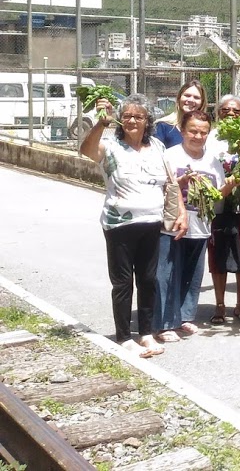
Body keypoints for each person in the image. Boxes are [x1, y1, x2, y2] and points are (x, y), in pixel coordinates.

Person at [79, 94, 178, 358]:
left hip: (151, 221)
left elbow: (170, 182)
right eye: (127, 116)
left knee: (148, 280)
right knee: (123, 282)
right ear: (121, 121)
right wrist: (101, 123)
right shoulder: (110, 145)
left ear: (148, 121)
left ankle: (145, 332)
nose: (132, 120)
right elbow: (87, 150)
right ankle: (124, 336)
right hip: (119, 223)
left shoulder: (157, 145)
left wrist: (179, 212)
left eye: (138, 116)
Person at [156, 110, 234, 343]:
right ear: (182, 130)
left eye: (203, 132)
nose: (198, 136)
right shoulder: (169, 156)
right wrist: (178, 185)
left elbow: (217, 195)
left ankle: (184, 317)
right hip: (171, 226)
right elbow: (158, 189)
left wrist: (232, 184)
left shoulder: (212, 161)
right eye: (193, 131)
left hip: (200, 225)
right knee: (167, 275)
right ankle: (163, 323)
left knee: (191, 274)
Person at [207, 95, 240, 324]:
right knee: (217, 256)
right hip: (217, 206)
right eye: (225, 110)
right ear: (218, 113)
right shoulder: (210, 138)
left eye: (236, 111)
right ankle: (220, 305)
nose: (231, 114)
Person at [155, 80, 206, 148]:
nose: (191, 100)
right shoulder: (162, 126)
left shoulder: (205, 130)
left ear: (202, 103)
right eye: (187, 95)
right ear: (179, 98)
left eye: (196, 97)